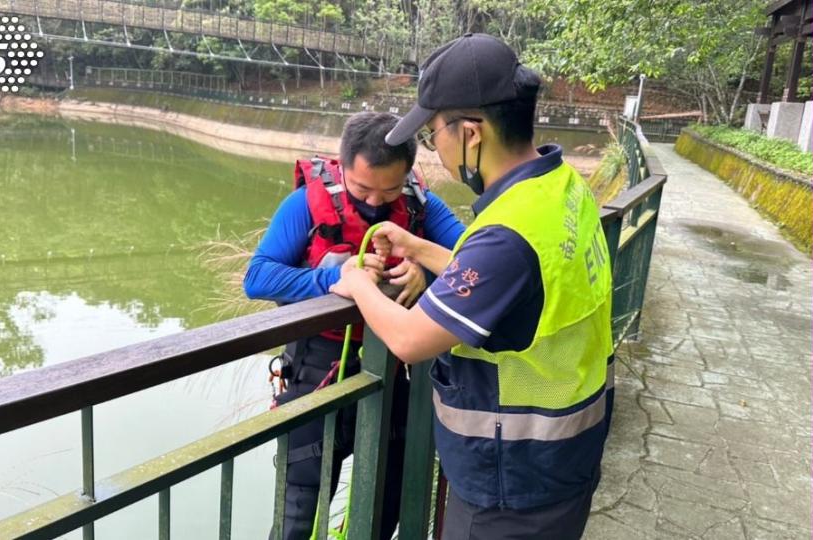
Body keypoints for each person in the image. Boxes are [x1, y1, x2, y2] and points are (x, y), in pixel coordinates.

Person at [328, 34, 614, 540]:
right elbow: (515, 282)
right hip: (568, 452)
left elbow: (411, 339)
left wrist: (354, 280)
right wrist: (418, 249)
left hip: (511, 482)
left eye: (434, 131)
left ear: (470, 133)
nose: (434, 147)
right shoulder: (560, 187)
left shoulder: (506, 234)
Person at [243, 111, 465, 540]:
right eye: (362, 188)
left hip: (395, 369)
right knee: (299, 510)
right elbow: (257, 277)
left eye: (390, 190)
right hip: (317, 371)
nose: (376, 202)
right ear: (343, 167)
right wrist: (334, 277)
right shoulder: (307, 203)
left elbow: (471, 260)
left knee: (385, 502)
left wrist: (426, 267)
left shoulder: (419, 204)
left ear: (408, 175)